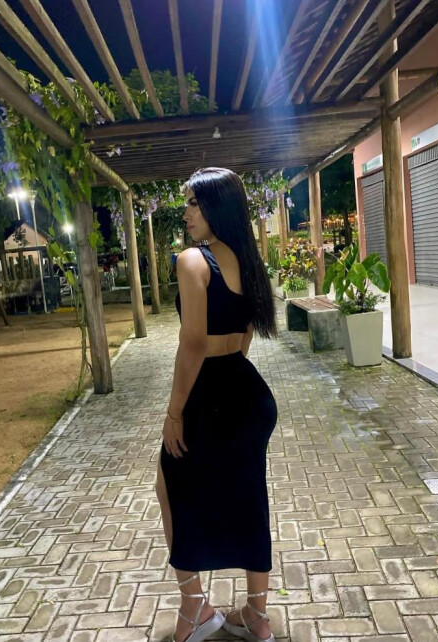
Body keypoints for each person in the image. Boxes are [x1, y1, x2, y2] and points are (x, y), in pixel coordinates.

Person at [156, 168, 278, 642]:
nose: (185, 212)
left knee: (170, 485)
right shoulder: (248, 259)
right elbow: (245, 335)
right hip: (247, 390)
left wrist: (175, 413)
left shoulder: (193, 260)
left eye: (193, 203)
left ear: (216, 207)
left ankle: (195, 608)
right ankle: (257, 615)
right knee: (249, 497)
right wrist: (228, 370)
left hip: (208, 391)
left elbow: (192, 344)